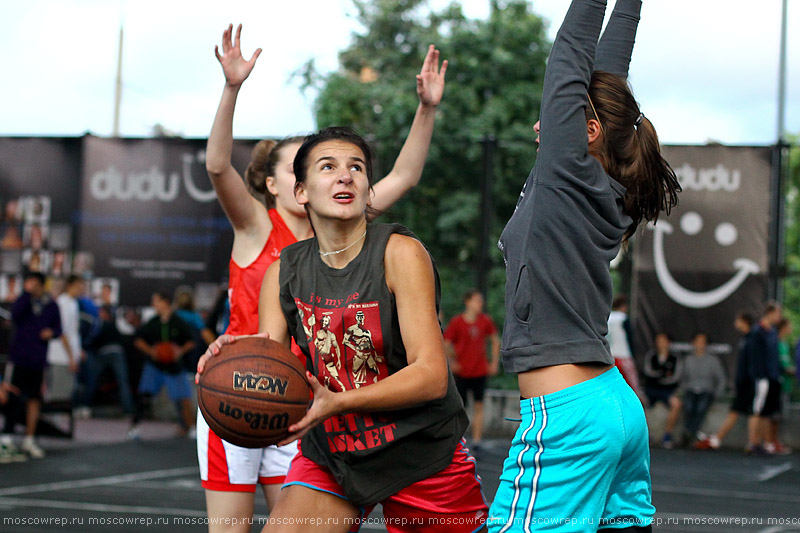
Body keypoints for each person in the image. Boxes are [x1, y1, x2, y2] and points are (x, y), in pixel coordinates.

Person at [196, 23, 448, 531]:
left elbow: (404, 175)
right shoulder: (257, 232)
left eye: (352, 167)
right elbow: (218, 166)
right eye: (321, 166)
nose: (342, 175)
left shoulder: (369, 237)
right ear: (287, 184)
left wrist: (426, 110)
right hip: (262, 387)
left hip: (328, 404)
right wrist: (231, 89)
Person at [488, 0, 681, 531]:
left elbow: (568, 59)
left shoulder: (565, 174)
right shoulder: (601, 188)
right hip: (615, 407)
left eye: (558, 112)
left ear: (589, 130)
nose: (541, 121)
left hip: (568, 415)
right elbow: (607, 70)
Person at [1, 272, 63, 458]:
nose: (32, 286)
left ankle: (29, 439)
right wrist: (27, 295)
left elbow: (59, 329)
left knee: (34, 399)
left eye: (35, 284)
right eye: (29, 284)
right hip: (19, 358)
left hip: (38, 360)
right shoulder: (23, 301)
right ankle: (7, 439)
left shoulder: (51, 305)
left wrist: (51, 333)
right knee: (11, 396)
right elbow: (15, 316)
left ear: (42, 285)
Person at [130, 291, 196, 439]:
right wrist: (151, 351)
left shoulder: (178, 322)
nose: (154, 305)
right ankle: (134, 428)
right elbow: (138, 340)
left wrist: (179, 351)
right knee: (144, 395)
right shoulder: (153, 322)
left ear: (165, 302)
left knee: (183, 397)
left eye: (156, 301)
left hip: (174, 367)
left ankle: (189, 427)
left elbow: (191, 341)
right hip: (155, 366)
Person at [443, 289, 500, 448]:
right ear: (468, 302)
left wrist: (494, 362)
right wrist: (452, 361)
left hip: (479, 370)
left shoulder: (485, 321)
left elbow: (495, 340)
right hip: (461, 371)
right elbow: (446, 343)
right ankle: (458, 439)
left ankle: (477, 440)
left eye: (481, 301)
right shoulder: (457, 322)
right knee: (460, 406)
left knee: (479, 404)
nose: (480, 304)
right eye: (477, 301)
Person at [694, 312, 755, 450]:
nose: (735, 323)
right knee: (741, 411)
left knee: (756, 413)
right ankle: (718, 439)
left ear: (744, 321)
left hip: (750, 383)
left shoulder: (753, 338)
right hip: (744, 383)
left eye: (738, 320)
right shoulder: (745, 339)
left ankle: (754, 443)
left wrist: (751, 379)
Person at [80, 305, 135, 418]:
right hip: (115, 353)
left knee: (94, 379)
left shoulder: (101, 324)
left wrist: (85, 347)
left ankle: (85, 406)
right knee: (121, 381)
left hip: (107, 352)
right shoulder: (114, 323)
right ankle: (128, 410)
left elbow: (92, 339)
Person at [745, 302, 783, 456]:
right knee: (757, 409)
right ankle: (752, 443)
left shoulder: (773, 331)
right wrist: (760, 375)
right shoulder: (757, 332)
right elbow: (754, 357)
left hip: (772, 377)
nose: (779, 317)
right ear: (770, 313)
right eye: (778, 313)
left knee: (765, 412)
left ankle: (760, 442)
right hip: (761, 378)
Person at [678, 332, 725, 447]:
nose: (700, 345)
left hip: (706, 391)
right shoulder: (688, 359)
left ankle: (690, 433)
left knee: (700, 408)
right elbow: (682, 378)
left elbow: (721, 378)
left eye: (703, 342)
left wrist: (717, 393)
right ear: (693, 343)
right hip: (690, 389)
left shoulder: (713, 360)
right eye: (698, 341)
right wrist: (682, 390)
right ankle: (691, 433)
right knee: (688, 407)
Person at [45, 275, 82, 406]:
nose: (82, 288)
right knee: (58, 397)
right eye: (79, 285)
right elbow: (62, 332)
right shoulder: (63, 303)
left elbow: (72, 333)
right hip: (60, 357)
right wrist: (71, 357)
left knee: (64, 395)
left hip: (67, 356)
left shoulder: (73, 303)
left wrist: (77, 352)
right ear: (70, 285)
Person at [642, 332, 682, 449]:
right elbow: (648, 372)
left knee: (676, 404)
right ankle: (646, 435)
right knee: (639, 402)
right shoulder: (651, 355)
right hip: (651, 389)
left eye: (664, 341)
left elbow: (675, 377)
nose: (661, 344)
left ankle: (667, 435)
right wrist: (663, 375)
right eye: (659, 341)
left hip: (667, 390)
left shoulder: (675, 358)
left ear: (669, 343)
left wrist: (660, 377)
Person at [607, 294, 644, 400]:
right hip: (623, 357)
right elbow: (630, 338)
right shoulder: (623, 318)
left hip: (610, 358)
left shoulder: (607, 318)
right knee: (633, 388)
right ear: (623, 306)